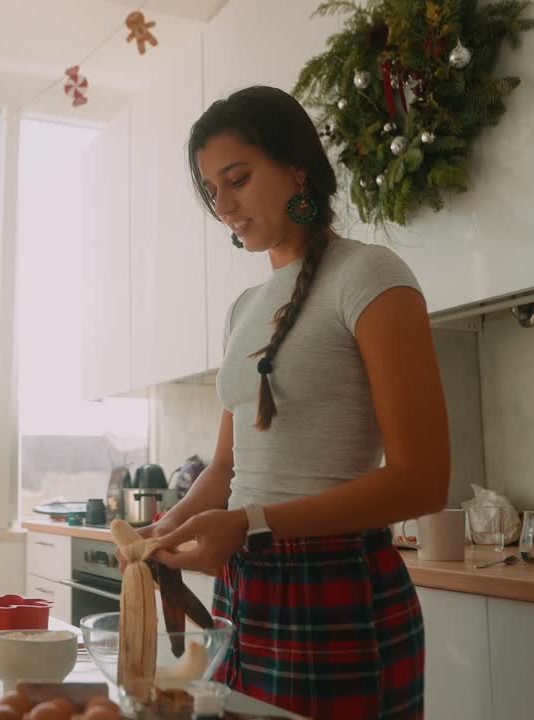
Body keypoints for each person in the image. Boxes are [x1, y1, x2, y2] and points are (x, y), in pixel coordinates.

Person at [147, 86, 451, 719]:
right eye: (212, 190)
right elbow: (229, 471)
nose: (223, 205)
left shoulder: (370, 277)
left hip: (337, 585)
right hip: (246, 587)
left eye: (238, 179)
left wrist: (251, 524)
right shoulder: (242, 310)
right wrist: (160, 531)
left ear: (298, 166)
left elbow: (423, 481)